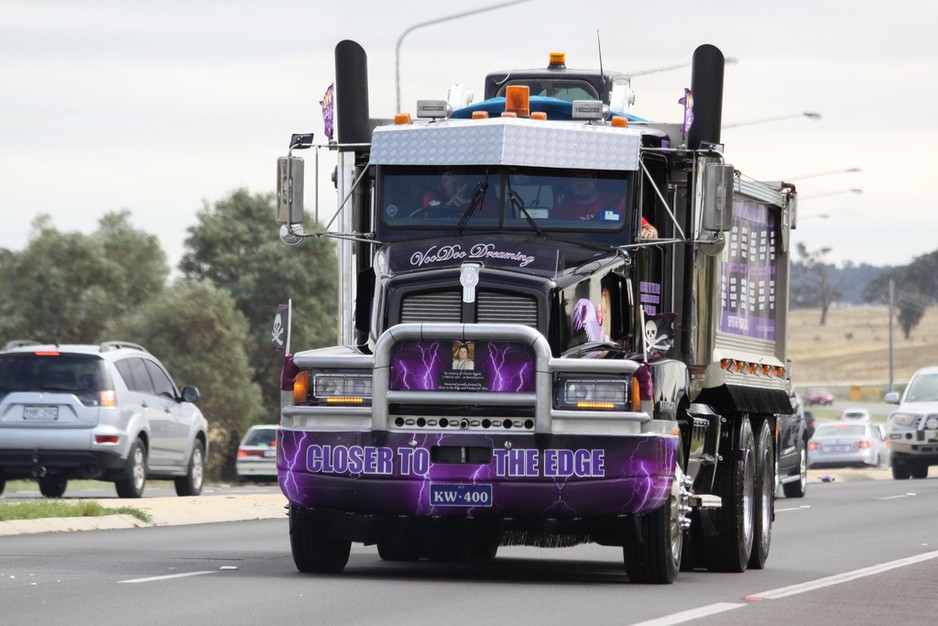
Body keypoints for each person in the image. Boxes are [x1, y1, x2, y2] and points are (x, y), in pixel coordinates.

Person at [553, 173, 657, 238]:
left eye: (585, 177)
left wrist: (649, 232)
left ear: (595, 179)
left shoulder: (618, 202)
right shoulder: (560, 210)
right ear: (569, 182)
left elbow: (648, 227)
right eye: (576, 178)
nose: (581, 182)